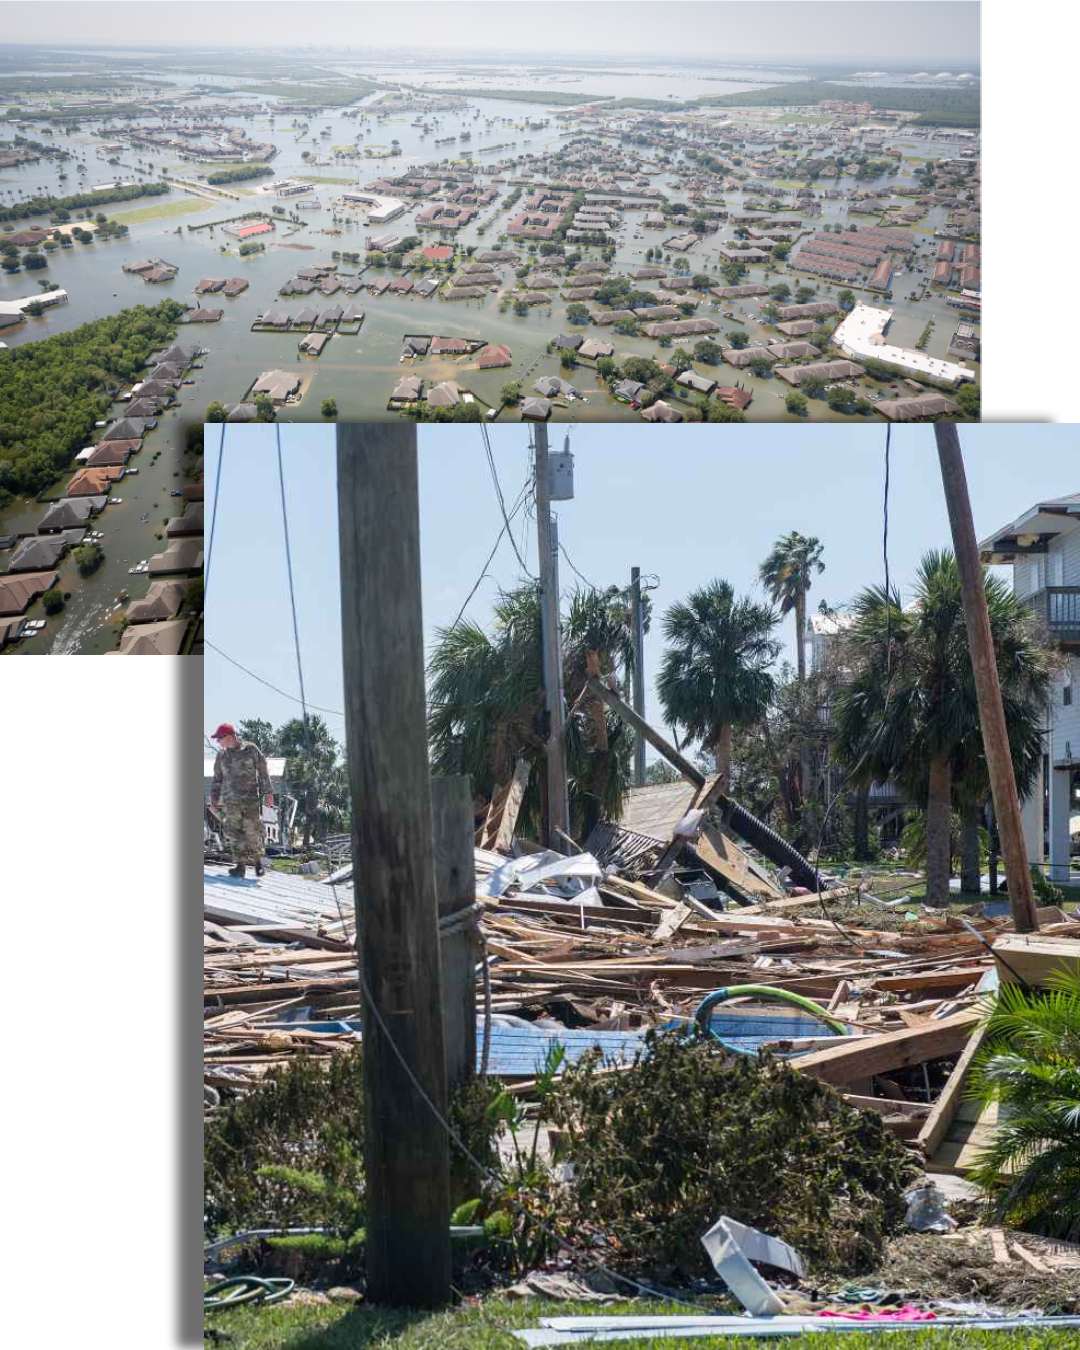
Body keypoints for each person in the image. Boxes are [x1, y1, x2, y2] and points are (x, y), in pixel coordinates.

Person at [209, 723, 273, 879]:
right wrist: (214, 798)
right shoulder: (221, 756)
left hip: (250, 800)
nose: (218, 742)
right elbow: (217, 779)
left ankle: (258, 863)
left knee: (252, 830)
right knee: (234, 832)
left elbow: (263, 771)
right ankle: (240, 866)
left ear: (230, 736)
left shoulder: (250, 749)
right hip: (230, 802)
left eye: (220, 738)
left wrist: (268, 793)